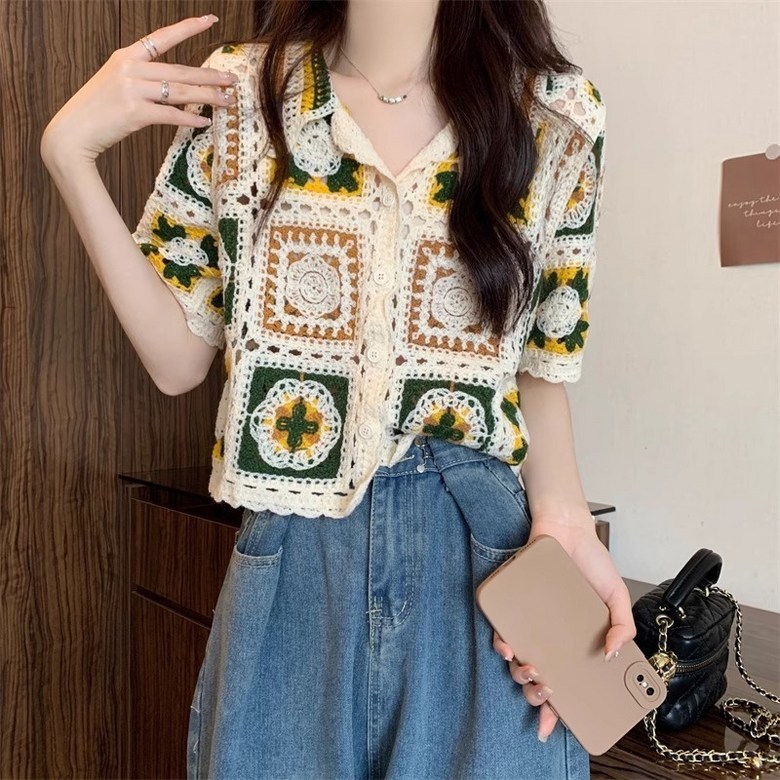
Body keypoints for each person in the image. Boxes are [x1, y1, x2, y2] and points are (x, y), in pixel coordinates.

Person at [41, 1, 637, 777]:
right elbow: (177, 359)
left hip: (481, 561)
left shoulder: (555, 114)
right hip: (296, 555)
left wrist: (567, 521)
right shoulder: (245, 95)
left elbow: (540, 363)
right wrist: (69, 155)